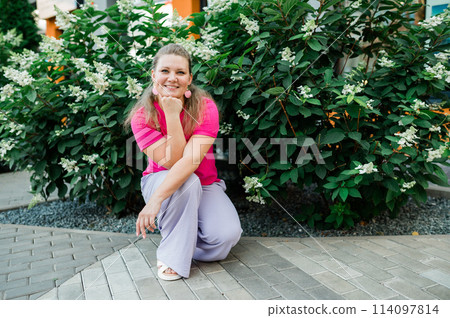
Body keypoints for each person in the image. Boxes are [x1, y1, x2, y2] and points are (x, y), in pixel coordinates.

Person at [124, 43, 242, 281]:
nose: (172, 78)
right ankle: (171, 255)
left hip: (206, 183)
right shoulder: (142, 115)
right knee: (187, 182)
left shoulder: (205, 107)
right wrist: (169, 113)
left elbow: (189, 161)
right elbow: (171, 162)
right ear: (153, 75)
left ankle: (182, 242)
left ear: (189, 78)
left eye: (180, 72)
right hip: (162, 180)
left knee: (226, 237)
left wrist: (154, 204)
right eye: (165, 71)